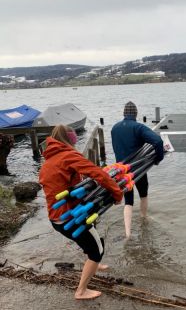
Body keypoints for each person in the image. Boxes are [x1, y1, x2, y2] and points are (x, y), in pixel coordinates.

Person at [39, 125, 123, 300]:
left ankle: (94, 265)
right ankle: (81, 290)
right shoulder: (68, 155)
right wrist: (117, 193)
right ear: (70, 140)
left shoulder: (48, 160)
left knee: (91, 234)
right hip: (70, 218)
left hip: (56, 218)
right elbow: (97, 173)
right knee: (97, 251)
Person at [111, 101, 164, 239]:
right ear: (135, 113)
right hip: (138, 169)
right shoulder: (138, 127)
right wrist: (158, 158)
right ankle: (143, 218)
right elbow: (158, 141)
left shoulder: (114, 128)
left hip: (121, 172)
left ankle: (128, 234)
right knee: (143, 195)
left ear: (124, 113)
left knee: (128, 201)